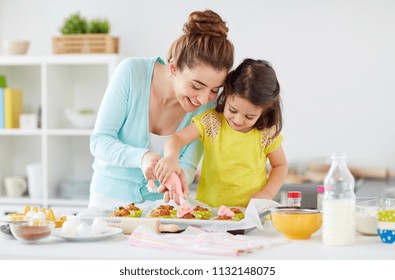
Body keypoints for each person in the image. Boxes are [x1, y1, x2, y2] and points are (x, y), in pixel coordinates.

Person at [88, 10, 234, 210]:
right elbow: (100, 141)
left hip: (160, 208)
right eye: (196, 86)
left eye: (214, 90)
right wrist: (142, 157)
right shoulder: (131, 73)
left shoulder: (209, 107)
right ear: (173, 67)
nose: (203, 98)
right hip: (108, 201)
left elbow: (189, 164)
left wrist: (177, 174)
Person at [155, 59, 288, 207]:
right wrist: (171, 158)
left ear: (264, 111)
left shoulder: (266, 133)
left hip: (250, 213)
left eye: (249, 116)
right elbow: (177, 138)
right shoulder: (212, 122)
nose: (238, 120)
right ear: (226, 93)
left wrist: (267, 193)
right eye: (232, 109)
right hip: (210, 211)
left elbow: (280, 165)